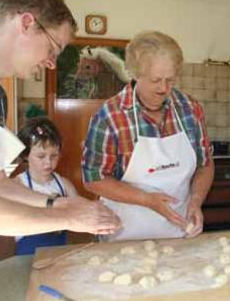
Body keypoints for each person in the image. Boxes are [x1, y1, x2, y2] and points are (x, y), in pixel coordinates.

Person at [0, 0, 121, 296]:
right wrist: (67, 216)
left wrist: (59, 201)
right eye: (53, 48)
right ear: (26, 23)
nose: (51, 62)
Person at [82, 31, 214, 241]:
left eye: (170, 80)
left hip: (179, 234)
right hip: (124, 235)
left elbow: (205, 165)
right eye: (155, 80)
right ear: (135, 74)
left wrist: (195, 201)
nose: (164, 88)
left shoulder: (190, 109)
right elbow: (93, 179)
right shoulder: (110, 116)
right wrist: (147, 199)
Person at [13, 117, 79, 255]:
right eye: (41, 156)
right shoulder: (18, 185)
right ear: (25, 154)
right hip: (28, 255)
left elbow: (79, 212)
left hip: (59, 253)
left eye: (54, 155)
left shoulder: (65, 185)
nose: (48, 162)